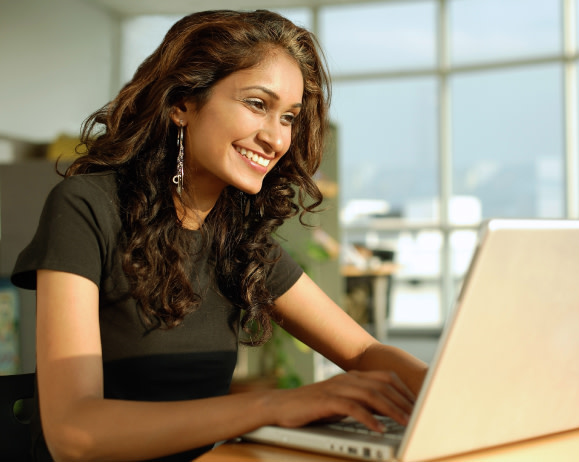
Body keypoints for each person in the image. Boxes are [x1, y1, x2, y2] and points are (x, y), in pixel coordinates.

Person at [11, 10, 427, 462]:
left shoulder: (238, 237)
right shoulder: (86, 206)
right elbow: (74, 432)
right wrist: (272, 405)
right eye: (256, 104)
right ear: (183, 104)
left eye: (289, 117)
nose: (275, 138)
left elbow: (364, 349)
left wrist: (453, 392)